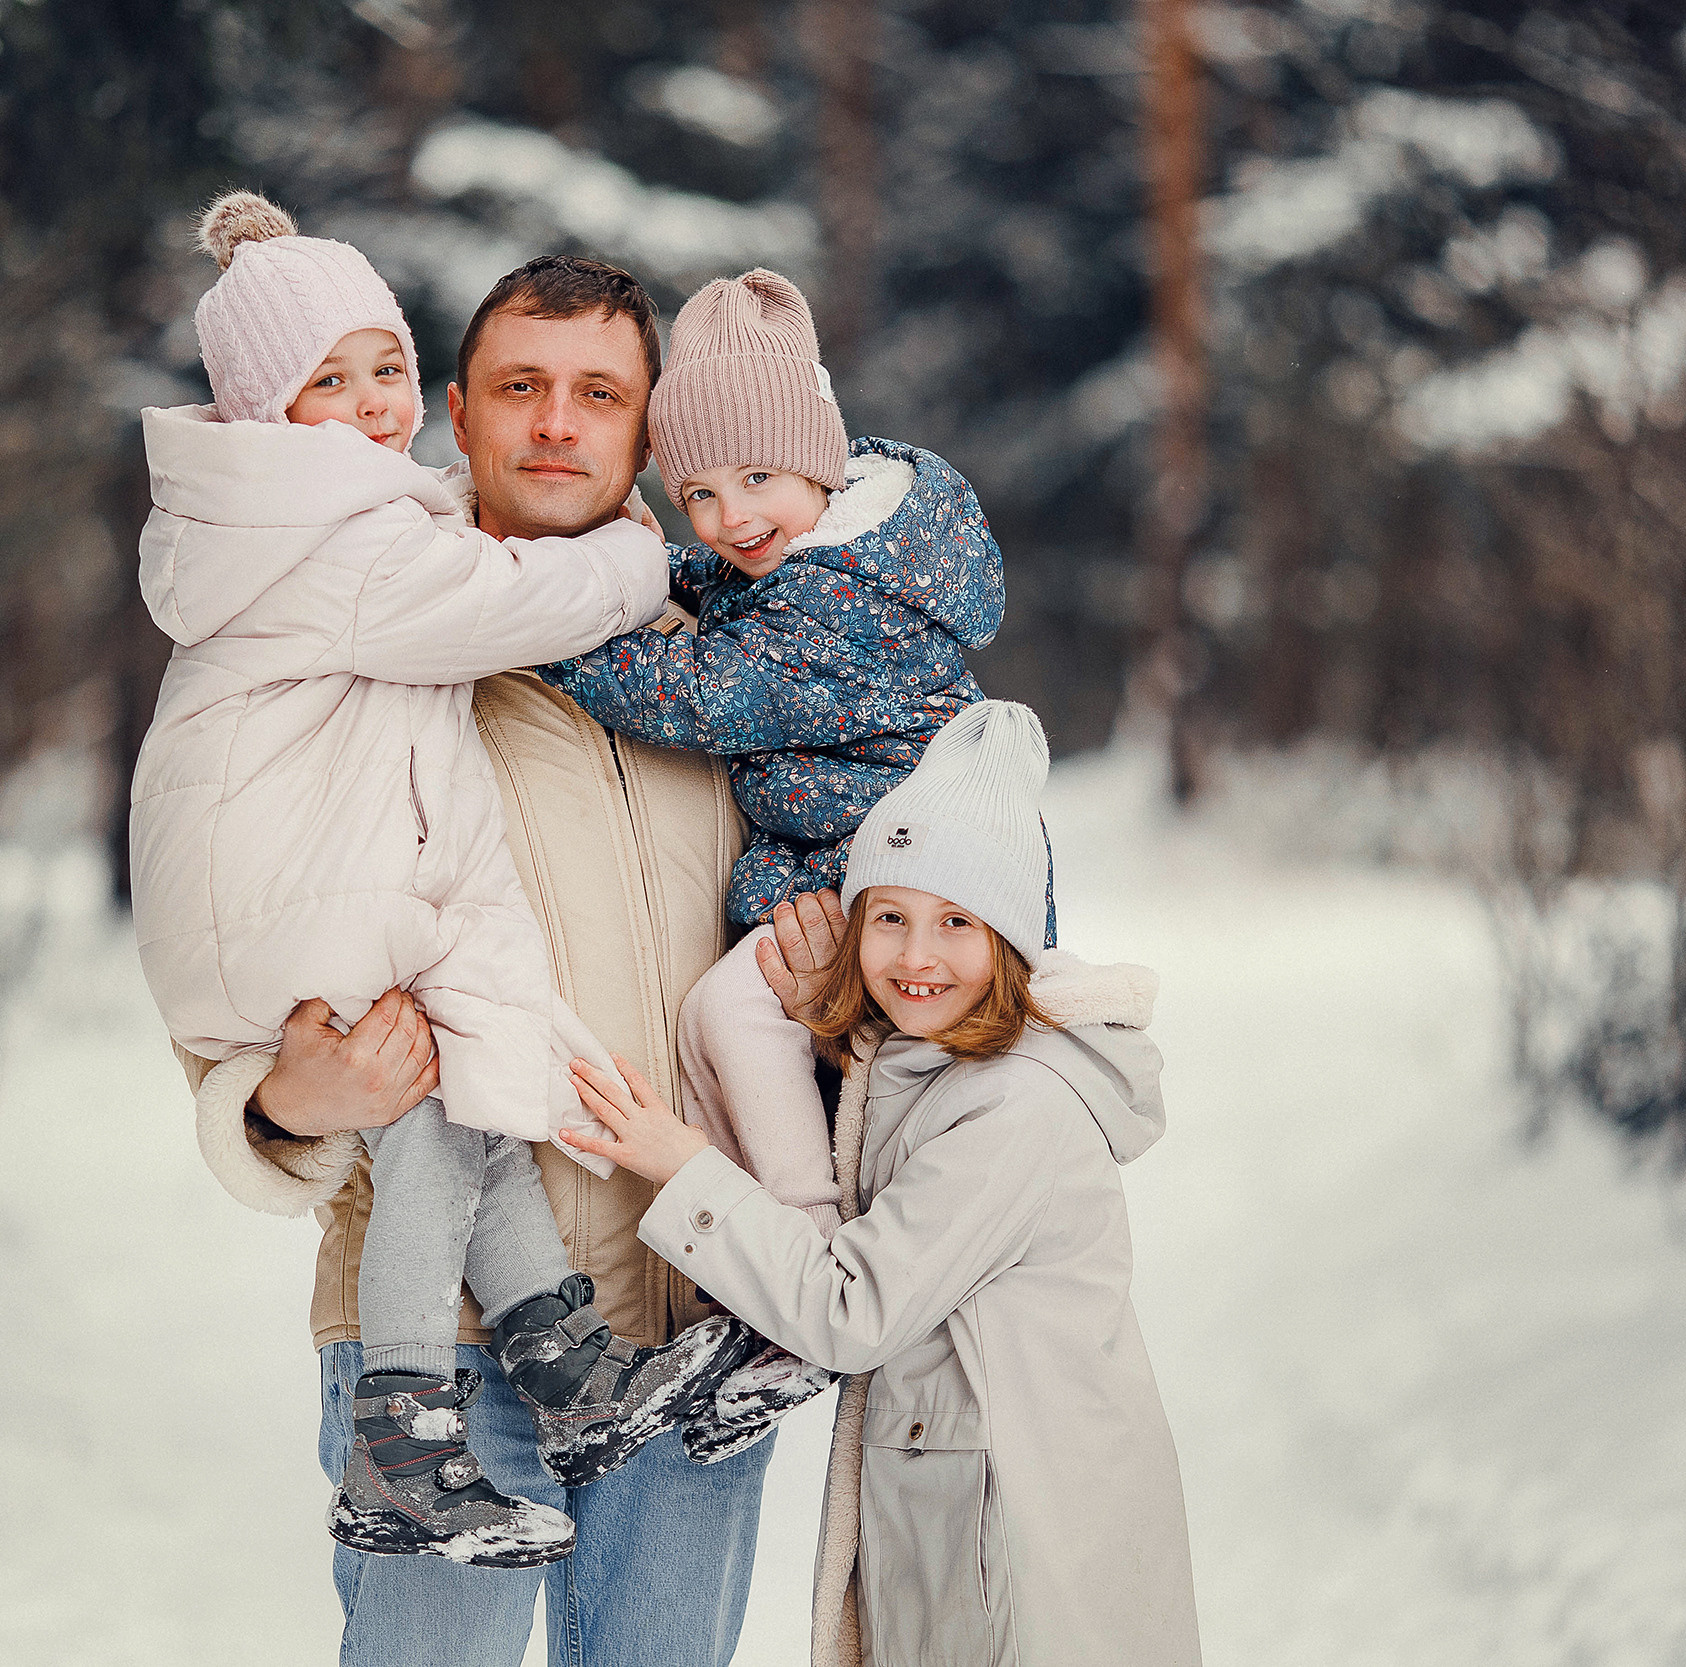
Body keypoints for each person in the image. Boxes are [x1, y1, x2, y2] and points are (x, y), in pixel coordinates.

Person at [165, 248, 782, 1666]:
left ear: (648, 430)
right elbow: (223, 965)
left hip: (688, 1319)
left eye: (596, 393)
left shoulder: (727, 668)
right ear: (456, 411)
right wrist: (280, 1102)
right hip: (435, 1345)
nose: (557, 424)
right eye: (521, 387)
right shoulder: (341, 643)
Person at [565, 701, 1205, 1667]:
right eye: (891, 917)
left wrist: (680, 1164)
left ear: (1012, 945)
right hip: (965, 1520)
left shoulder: (1014, 1109)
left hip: (1014, 1545)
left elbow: (850, 1305)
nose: (916, 955)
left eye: (957, 922)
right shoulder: (933, 1067)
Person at [536, 268, 1051, 1456]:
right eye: (697, 490)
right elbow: (708, 580)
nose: (725, 518)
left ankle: (798, 1266)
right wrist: (644, 565)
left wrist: (544, 624)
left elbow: (706, 693)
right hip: (850, 870)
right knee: (720, 1032)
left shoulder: (842, 601)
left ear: (816, 464)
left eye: (755, 479)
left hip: (897, 891)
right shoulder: (829, 542)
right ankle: (748, 1290)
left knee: (729, 1007)